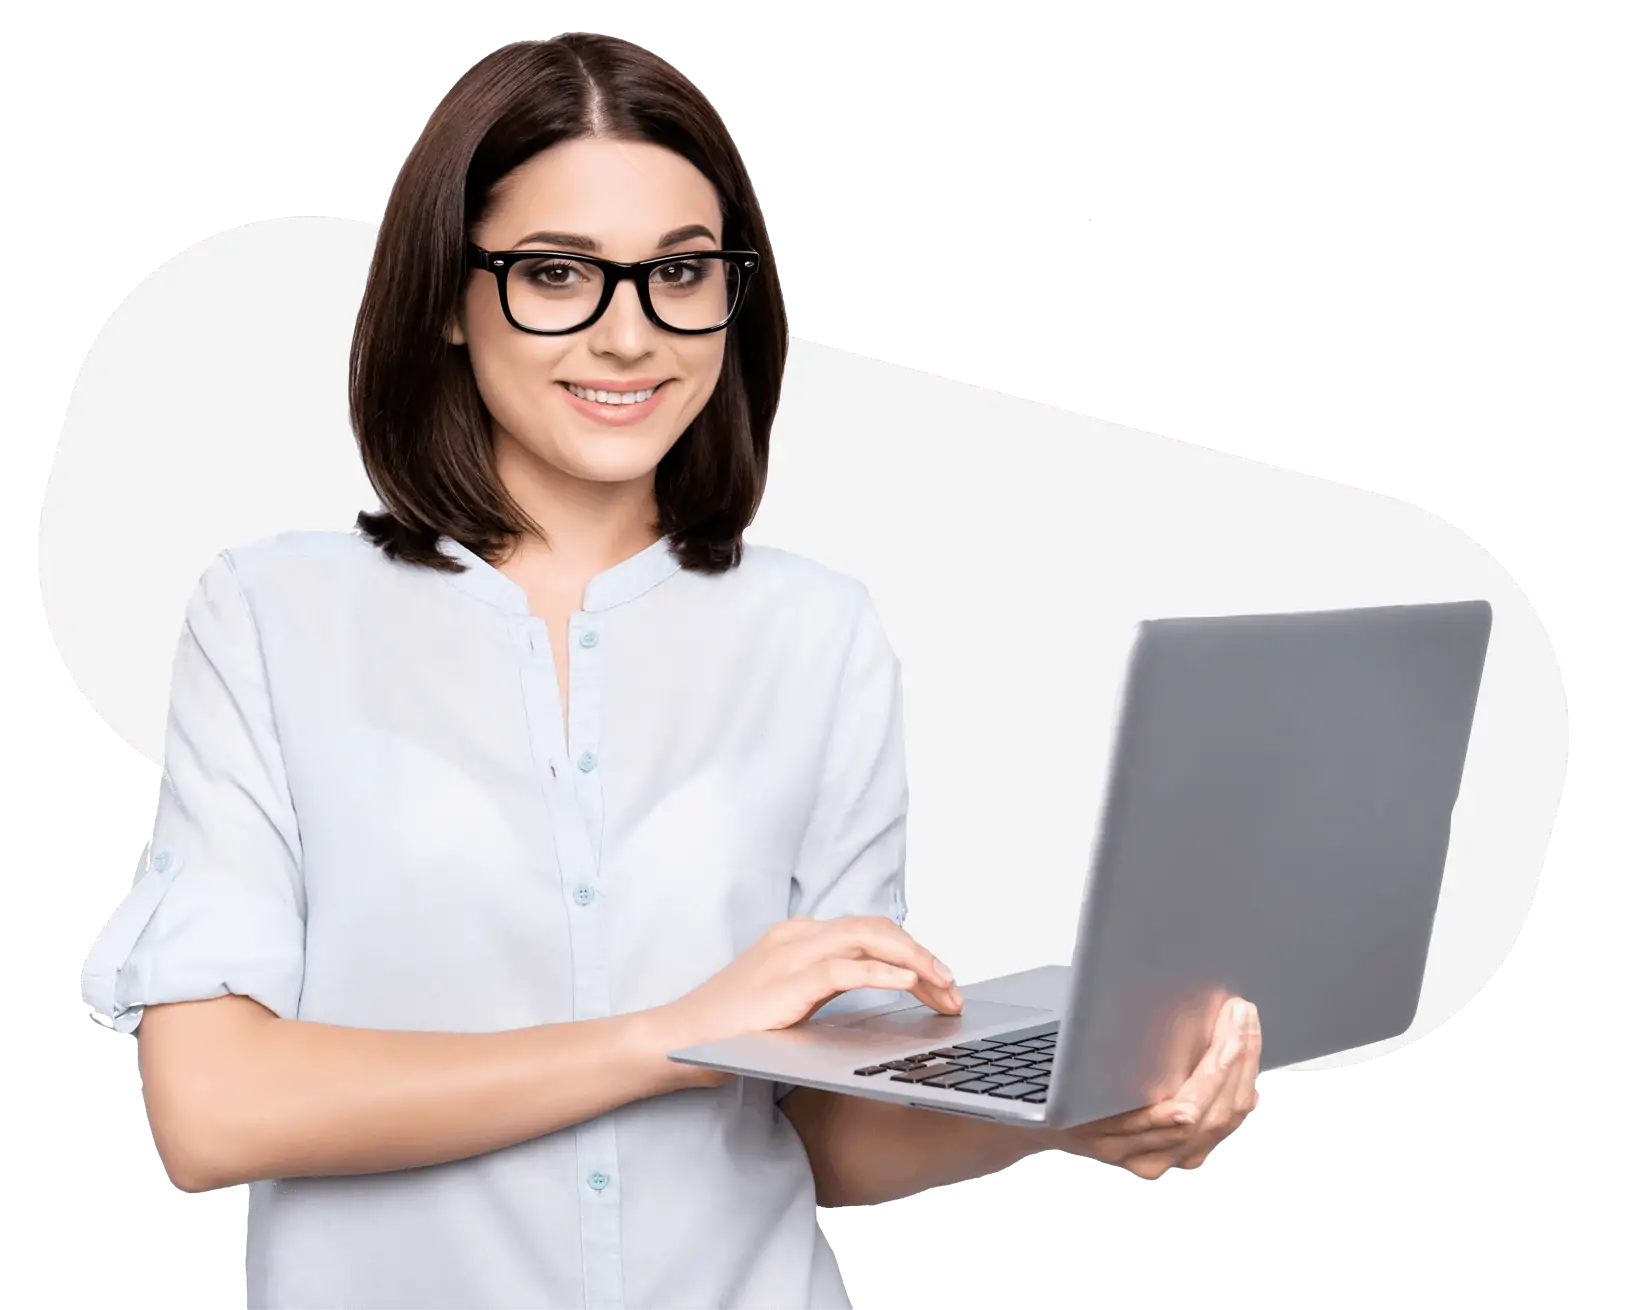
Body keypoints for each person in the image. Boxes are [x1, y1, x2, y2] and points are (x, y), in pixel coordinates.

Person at [77, 32, 1263, 1310]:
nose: (630, 335)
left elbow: (832, 1133)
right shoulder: (272, 617)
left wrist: (1077, 1104)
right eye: (555, 273)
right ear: (446, 297)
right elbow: (215, 1108)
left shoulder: (816, 634)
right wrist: (668, 1036)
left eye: (680, 274)